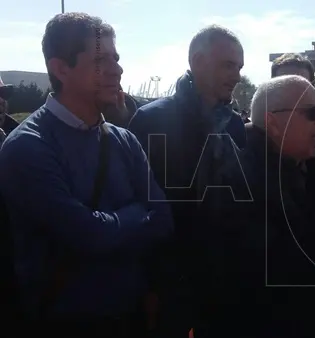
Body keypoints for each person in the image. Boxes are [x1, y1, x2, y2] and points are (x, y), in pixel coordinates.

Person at [0, 13, 173, 338]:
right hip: (63, 323)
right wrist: (138, 213)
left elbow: (164, 219)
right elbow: (87, 236)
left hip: (131, 319)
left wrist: (111, 224)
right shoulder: (26, 147)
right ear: (60, 69)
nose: (117, 69)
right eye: (100, 60)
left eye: (115, 58)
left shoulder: (124, 140)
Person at [197, 75, 315, 338]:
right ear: (273, 121)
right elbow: (266, 267)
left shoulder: (300, 165)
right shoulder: (236, 175)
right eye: (312, 112)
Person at [127, 25, 246, 338]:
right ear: (197, 61)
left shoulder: (234, 124)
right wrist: (150, 285)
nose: (236, 75)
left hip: (223, 282)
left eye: (239, 67)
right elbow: (137, 206)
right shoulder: (152, 120)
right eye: (228, 65)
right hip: (168, 284)